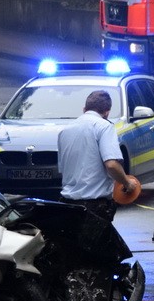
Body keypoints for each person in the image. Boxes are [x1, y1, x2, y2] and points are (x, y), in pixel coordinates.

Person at [57, 90, 136, 222]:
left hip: (67, 204)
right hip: (94, 207)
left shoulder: (65, 131)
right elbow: (111, 164)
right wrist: (127, 183)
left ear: (84, 109)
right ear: (107, 112)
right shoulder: (104, 127)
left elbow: (63, 169)